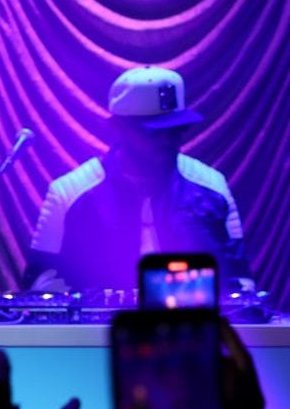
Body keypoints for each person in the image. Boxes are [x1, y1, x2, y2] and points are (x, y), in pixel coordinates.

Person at [25, 66, 252, 294]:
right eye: (153, 132)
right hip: (99, 328)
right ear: (117, 128)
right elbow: (40, 286)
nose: (167, 141)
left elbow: (240, 282)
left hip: (191, 327)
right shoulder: (68, 193)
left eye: (177, 130)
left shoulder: (212, 188)